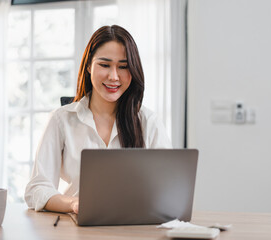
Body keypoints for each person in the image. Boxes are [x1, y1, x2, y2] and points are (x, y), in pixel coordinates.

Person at [24, 25, 171, 214]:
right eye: (104, 65)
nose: (114, 76)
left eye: (123, 67)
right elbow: (37, 188)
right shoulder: (61, 120)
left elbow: (168, 188)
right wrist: (73, 204)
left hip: (135, 227)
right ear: (88, 66)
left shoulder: (148, 121)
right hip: (76, 226)